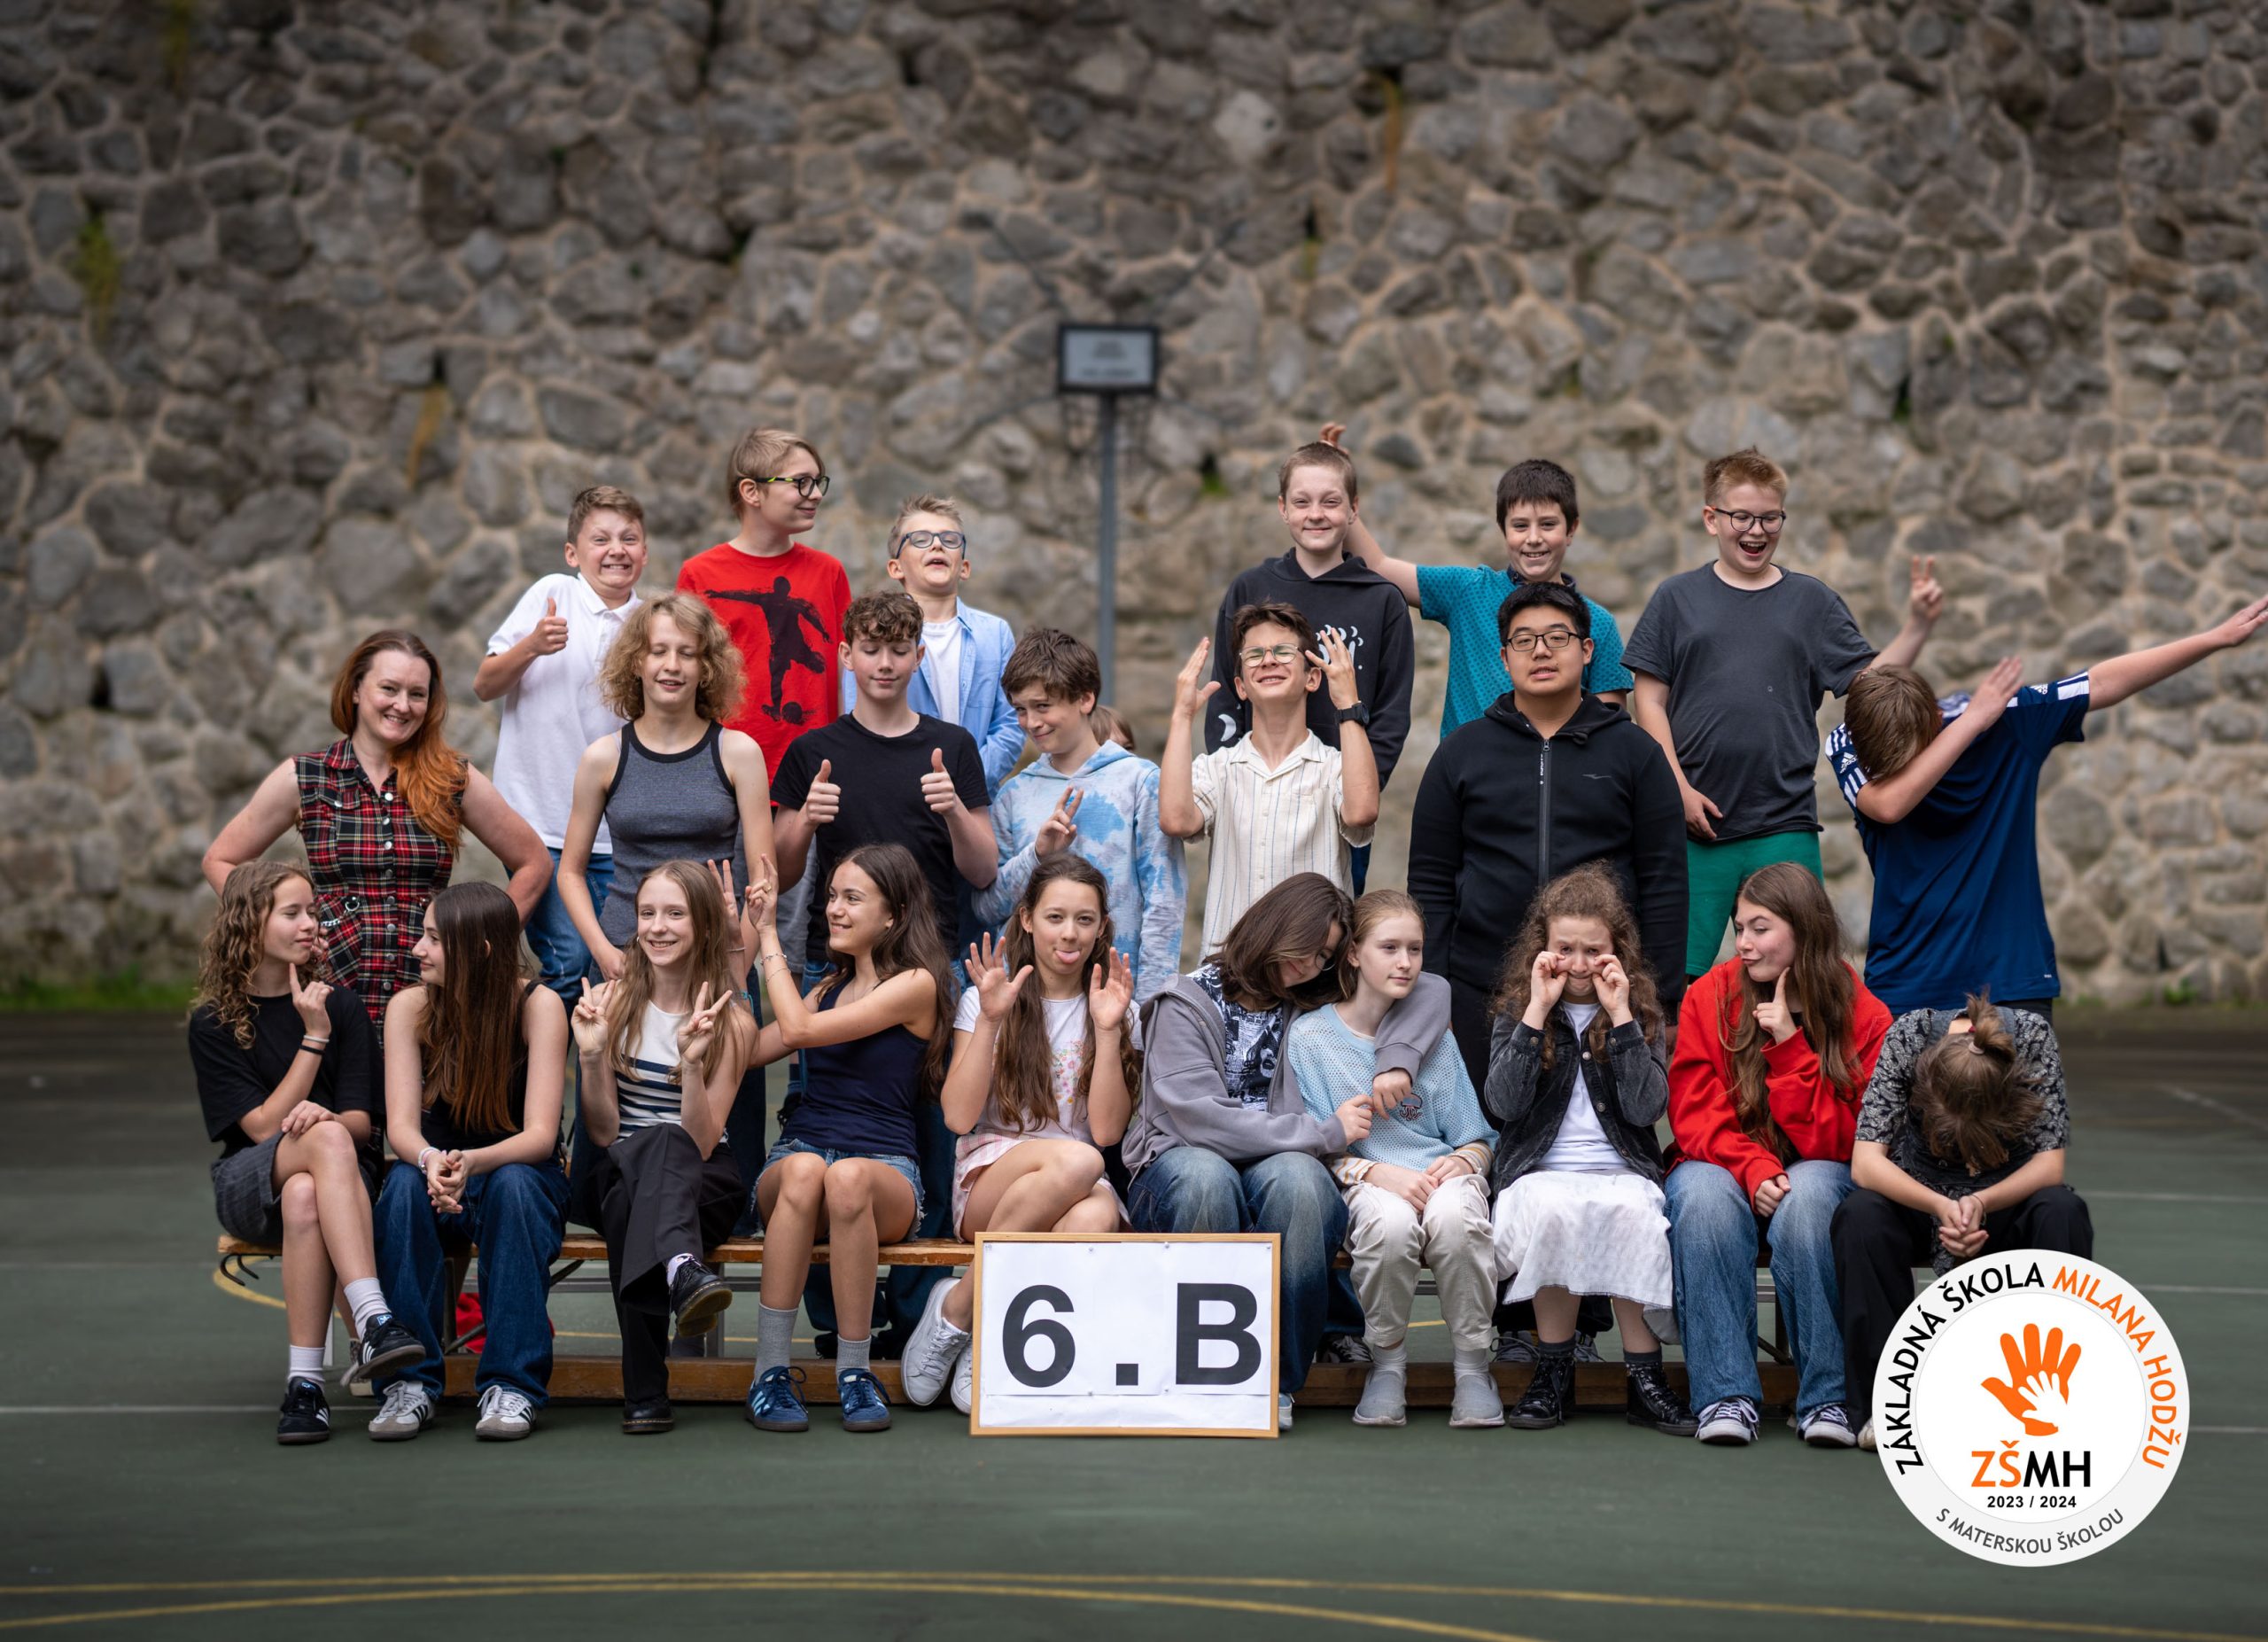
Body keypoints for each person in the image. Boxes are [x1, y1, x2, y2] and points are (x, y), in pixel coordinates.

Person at [1829, 592, 2268, 1016]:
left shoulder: (2007, 719)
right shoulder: (1852, 739)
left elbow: (2101, 682)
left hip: (2007, 987)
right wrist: (1974, 719)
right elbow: (1889, 806)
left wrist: (2213, 638)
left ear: (1936, 719)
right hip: (1905, 990)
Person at [1122, 873, 1449, 1429]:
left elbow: (1432, 989)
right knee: (1207, 1179)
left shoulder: (1314, 996)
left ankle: (1275, 1380)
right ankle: (1199, 1369)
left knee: (1301, 1184)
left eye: (1324, 956)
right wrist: (1322, 1133)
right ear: (1273, 930)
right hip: (1180, 1160)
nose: (1309, 966)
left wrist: (1396, 1060)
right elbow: (1201, 1121)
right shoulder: (1185, 1002)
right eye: (1304, 949)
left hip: (1277, 1164)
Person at [1623, 446, 1943, 978]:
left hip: (1784, 822)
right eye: (1742, 517)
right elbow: (1648, 700)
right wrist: (1676, 788)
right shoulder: (1676, 599)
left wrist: (1918, 626)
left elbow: (1872, 686)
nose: (1757, 530)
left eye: (1770, 518)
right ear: (1711, 519)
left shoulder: (1812, 603)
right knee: (1675, 980)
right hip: (1694, 827)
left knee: (1802, 974)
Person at [771, 588, 993, 1346]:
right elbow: (783, 868)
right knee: (816, 1122)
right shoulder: (814, 750)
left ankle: (916, 1311)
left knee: (928, 1136)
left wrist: (953, 808)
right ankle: (835, 1318)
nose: (886, 663)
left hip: (931, 971)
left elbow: (983, 868)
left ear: (919, 656)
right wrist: (805, 820)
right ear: (846, 655)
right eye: (871, 648)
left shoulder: (952, 747)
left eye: (900, 649)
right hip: (834, 966)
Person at [1407, 581, 1688, 1095]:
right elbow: (1430, 879)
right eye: (1524, 640)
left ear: (1587, 650)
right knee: (1486, 1129)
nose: (1540, 651)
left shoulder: (1636, 753)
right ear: (1504, 657)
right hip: (1482, 988)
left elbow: (1665, 878)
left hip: (1603, 990)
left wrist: (1663, 1000)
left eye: (1557, 637)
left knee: (1603, 1132)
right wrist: (1434, 989)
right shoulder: (1461, 753)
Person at [202, 631, 550, 1027]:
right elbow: (220, 860)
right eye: (389, 688)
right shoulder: (308, 776)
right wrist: (279, 930)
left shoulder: (452, 779)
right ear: (355, 690)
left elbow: (534, 863)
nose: (402, 705)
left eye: (417, 694)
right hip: (331, 996)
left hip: (428, 997)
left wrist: (477, 945)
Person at [188, 861, 421, 1444]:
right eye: (292, 912)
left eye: (312, 911)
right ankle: (373, 1318)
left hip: (336, 1182)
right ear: (250, 922)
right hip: (249, 1183)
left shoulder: (341, 1006)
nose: (310, 923)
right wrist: (312, 1039)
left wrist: (326, 1118)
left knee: (305, 1192)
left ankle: (305, 1387)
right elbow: (263, 1128)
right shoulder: (213, 1022)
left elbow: (362, 1123)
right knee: (316, 1149)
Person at [900, 854, 1138, 1415]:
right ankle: (964, 1313)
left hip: (1074, 1183)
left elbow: (1106, 1131)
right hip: (992, 1176)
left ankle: (974, 1317)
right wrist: (989, 1019)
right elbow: (958, 1118)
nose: (1070, 933)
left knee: (1094, 1217)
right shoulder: (986, 998)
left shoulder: (1113, 1006)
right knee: (1081, 1161)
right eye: (1056, 917)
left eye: (1085, 919)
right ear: (1027, 919)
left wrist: (1108, 1031)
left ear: (1102, 927)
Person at [1664, 863, 1891, 1449]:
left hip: (1815, 1174)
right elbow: (1694, 1114)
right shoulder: (1709, 995)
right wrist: (1753, 1166)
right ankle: (1726, 1395)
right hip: (1729, 1167)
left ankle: (1827, 1397)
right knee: (1700, 1194)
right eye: (1740, 927)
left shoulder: (1863, 1013)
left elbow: (1849, 1140)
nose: (1744, 942)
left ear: (1804, 928)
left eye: (1760, 928)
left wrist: (1791, 1046)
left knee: (1811, 1191)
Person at [742, 845, 959, 1436]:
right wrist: (730, 966)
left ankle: (854, 1372)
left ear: (894, 914)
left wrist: (769, 936)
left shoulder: (915, 984)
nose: (834, 909)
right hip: (800, 1159)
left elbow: (797, 1031)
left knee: (847, 1176)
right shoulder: (829, 985)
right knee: (809, 1169)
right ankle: (770, 1372)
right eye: (832, 896)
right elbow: (753, 1050)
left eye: (852, 898)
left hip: (884, 1170)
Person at [1480, 866, 1695, 1437]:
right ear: (1542, 947)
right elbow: (1503, 1103)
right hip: (1539, 1170)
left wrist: (1621, 1017)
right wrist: (1536, 1012)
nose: (1578, 964)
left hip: (1621, 1167)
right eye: (1565, 948)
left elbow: (1647, 1109)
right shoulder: (1517, 1010)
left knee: (1632, 1214)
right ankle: (1553, 1371)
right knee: (1554, 1210)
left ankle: (1645, 1379)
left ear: (1616, 950)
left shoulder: (1639, 1014)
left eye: (1593, 950)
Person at [1836, 998, 2091, 1451]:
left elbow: (2050, 1164)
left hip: (2004, 1194)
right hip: (1920, 1193)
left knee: (2061, 1211)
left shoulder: (2033, 1038)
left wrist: (1980, 1201)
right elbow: (1866, 1162)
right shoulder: (1909, 1036)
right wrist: (1941, 1206)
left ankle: (2047, 1397)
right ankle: (1886, 1403)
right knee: (1860, 1216)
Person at [1287, 891, 1497, 1430]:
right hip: (1365, 1182)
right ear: (1354, 954)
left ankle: (1473, 1368)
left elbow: (1477, 1137)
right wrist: (1375, 1172)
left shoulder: (1435, 1039)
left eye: (1415, 949)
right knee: (1390, 1225)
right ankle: (1387, 1365)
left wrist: (1465, 1163)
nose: (1405, 962)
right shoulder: (1310, 1038)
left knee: (1457, 1220)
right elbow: (1314, 1146)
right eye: (1389, 948)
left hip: (1440, 1177)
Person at [369, 883, 570, 1442]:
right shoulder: (410, 1008)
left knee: (514, 1185)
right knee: (401, 1187)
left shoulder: (539, 1006)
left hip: (518, 1175)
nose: (418, 949)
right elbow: (401, 1128)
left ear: (479, 951)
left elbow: (540, 1136)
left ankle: (512, 1384)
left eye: (434, 939)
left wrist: (469, 1162)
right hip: (436, 1175)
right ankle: (407, 1383)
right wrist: (432, 1161)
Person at [568, 861, 757, 1436]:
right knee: (634, 1189)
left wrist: (692, 1065)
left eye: (675, 913)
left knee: (662, 1152)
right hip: (621, 1169)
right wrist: (593, 1056)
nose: (657, 926)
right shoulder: (610, 1000)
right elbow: (604, 1132)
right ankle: (683, 1269)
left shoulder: (732, 1021)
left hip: (704, 1178)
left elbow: (700, 1141)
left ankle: (645, 1395)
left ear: (704, 924)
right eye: (647, 912)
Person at [1204, 440, 1414, 893]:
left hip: (1338, 803)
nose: (1315, 514)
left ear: (1354, 508)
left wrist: (1360, 788)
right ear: (1283, 508)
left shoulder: (1382, 600)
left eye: (1330, 502)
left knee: (1326, 917)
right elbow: (1225, 692)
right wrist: (1236, 783)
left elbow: (1392, 713)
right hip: (1253, 798)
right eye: (1302, 502)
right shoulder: (1251, 589)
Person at [1333, 425, 1634, 733]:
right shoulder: (1467, 591)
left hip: (1555, 764)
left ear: (1571, 529)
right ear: (1503, 530)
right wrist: (1337, 486)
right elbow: (1378, 565)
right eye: (1520, 526)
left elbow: (1608, 730)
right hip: (1466, 763)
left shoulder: (1599, 623)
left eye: (1547, 524)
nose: (1533, 538)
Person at [474, 484, 649, 1006]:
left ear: (644, 552)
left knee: (614, 967)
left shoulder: (649, 624)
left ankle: (586, 1061)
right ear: (573, 554)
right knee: (568, 961)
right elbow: (485, 685)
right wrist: (532, 645)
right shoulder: (554, 594)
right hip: (539, 818)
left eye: (629, 538)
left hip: (615, 831)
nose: (616, 550)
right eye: (601, 539)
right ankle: (529, 1058)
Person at [555, 595, 773, 985]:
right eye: (658, 651)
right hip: (625, 959)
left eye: (687, 653)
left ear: (706, 668)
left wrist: (738, 962)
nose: (672, 665)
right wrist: (603, 951)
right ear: (636, 662)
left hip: (715, 961)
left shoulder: (739, 753)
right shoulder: (603, 758)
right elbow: (570, 873)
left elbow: (763, 878)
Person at [979, 626, 1184, 1003]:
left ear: (1085, 698)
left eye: (1043, 706)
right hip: (1033, 1005)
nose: (1031, 722)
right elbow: (987, 908)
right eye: (1021, 710)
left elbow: (1164, 905)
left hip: (1120, 1001)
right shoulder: (1012, 796)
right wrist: (1037, 855)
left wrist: (1149, 1009)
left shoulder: (1140, 782)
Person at [1161, 604, 1379, 959]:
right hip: (1230, 971)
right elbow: (1175, 820)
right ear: (1241, 687)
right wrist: (1182, 716)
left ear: (1312, 678)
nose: (1268, 661)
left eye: (1283, 651)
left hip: (1311, 970)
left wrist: (1348, 704)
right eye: (1254, 654)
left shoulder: (1335, 767)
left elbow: (1362, 812)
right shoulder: (1218, 768)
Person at [678, 428, 852, 782]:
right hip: (726, 771)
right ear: (751, 491)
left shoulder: (828, 572)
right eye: (802, 482)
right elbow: (686, 674)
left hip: (816, 772)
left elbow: (848, 672)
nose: (816, 494)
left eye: (818, 482)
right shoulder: (700, 574)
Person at [866, 494, 1025, 799]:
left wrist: (966, 781)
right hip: (901, 798)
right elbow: (860, 719)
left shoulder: (995, 634)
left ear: (964, 567)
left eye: (950, 539)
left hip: (975, 801)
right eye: (920, 539)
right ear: (896, 568)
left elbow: (1010, 723)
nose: (937, 545)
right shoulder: (873, 635)